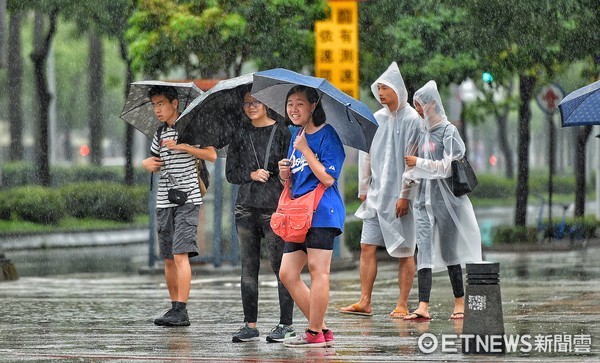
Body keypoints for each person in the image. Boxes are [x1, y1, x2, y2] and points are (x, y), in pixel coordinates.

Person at [339, 62, 420, 318]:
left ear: (398, 89)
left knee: (405, 250)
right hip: (375, 196)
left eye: (385, 88)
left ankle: (402, 303)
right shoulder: (376, 118)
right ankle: (365, 300)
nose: (381, 93)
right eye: (379, 88)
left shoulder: (412, 120)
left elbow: (413, 159)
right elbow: (366, 154)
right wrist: (364, 188)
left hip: (399, 197)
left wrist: (404, 194)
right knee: (367, 245)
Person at [403, 80, 482, 321]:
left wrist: (419, 164)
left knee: (449, 252)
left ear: (432, 105)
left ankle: (460, 302)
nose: (418, 110)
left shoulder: (449, 132)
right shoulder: (421, 132)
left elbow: (447, 168)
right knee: (423, 251)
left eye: (420, 105)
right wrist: (410, 177)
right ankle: (423, 306)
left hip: (447, 202)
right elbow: (417, 167)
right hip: (423, 202)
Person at [142, 85, 217, 326]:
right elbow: (155, 159)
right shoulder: (159, 133)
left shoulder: (191, 128)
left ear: (174, 103)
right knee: (167, 257)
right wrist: (148, 163)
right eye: (154, 105)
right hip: (164, 200)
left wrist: (183, 146)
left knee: (180, 254)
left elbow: (212, 155)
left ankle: (182, 310)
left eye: (161, 104)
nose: (157, 110)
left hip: (188, 200)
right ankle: (174, 307)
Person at [277, 85, 345, 348]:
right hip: (298, 215)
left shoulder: (328, 136)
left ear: (314, 105)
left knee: (319, 271)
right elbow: (297, 177)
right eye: (290, 103)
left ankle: (314, 333)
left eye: (300, 104)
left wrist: (305, 150)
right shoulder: (297, 135)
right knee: (288, 273)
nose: (293, 109)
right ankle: (321, 327)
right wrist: (285, 171)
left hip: (322, 213)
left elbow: (328, 177)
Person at [226, 90, 295, 343]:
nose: (250, 107)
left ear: (266, 103)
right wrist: (251, 174)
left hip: (274, 209)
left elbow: (292, 169)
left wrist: (280, 172)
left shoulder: (283, 132)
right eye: (246, 103)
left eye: (255, 102)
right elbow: (231, 173)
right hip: (245, 208)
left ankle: (285, 323)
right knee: (248, 268)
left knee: (282, 269)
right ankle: (249, 324)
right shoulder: (240, 134)